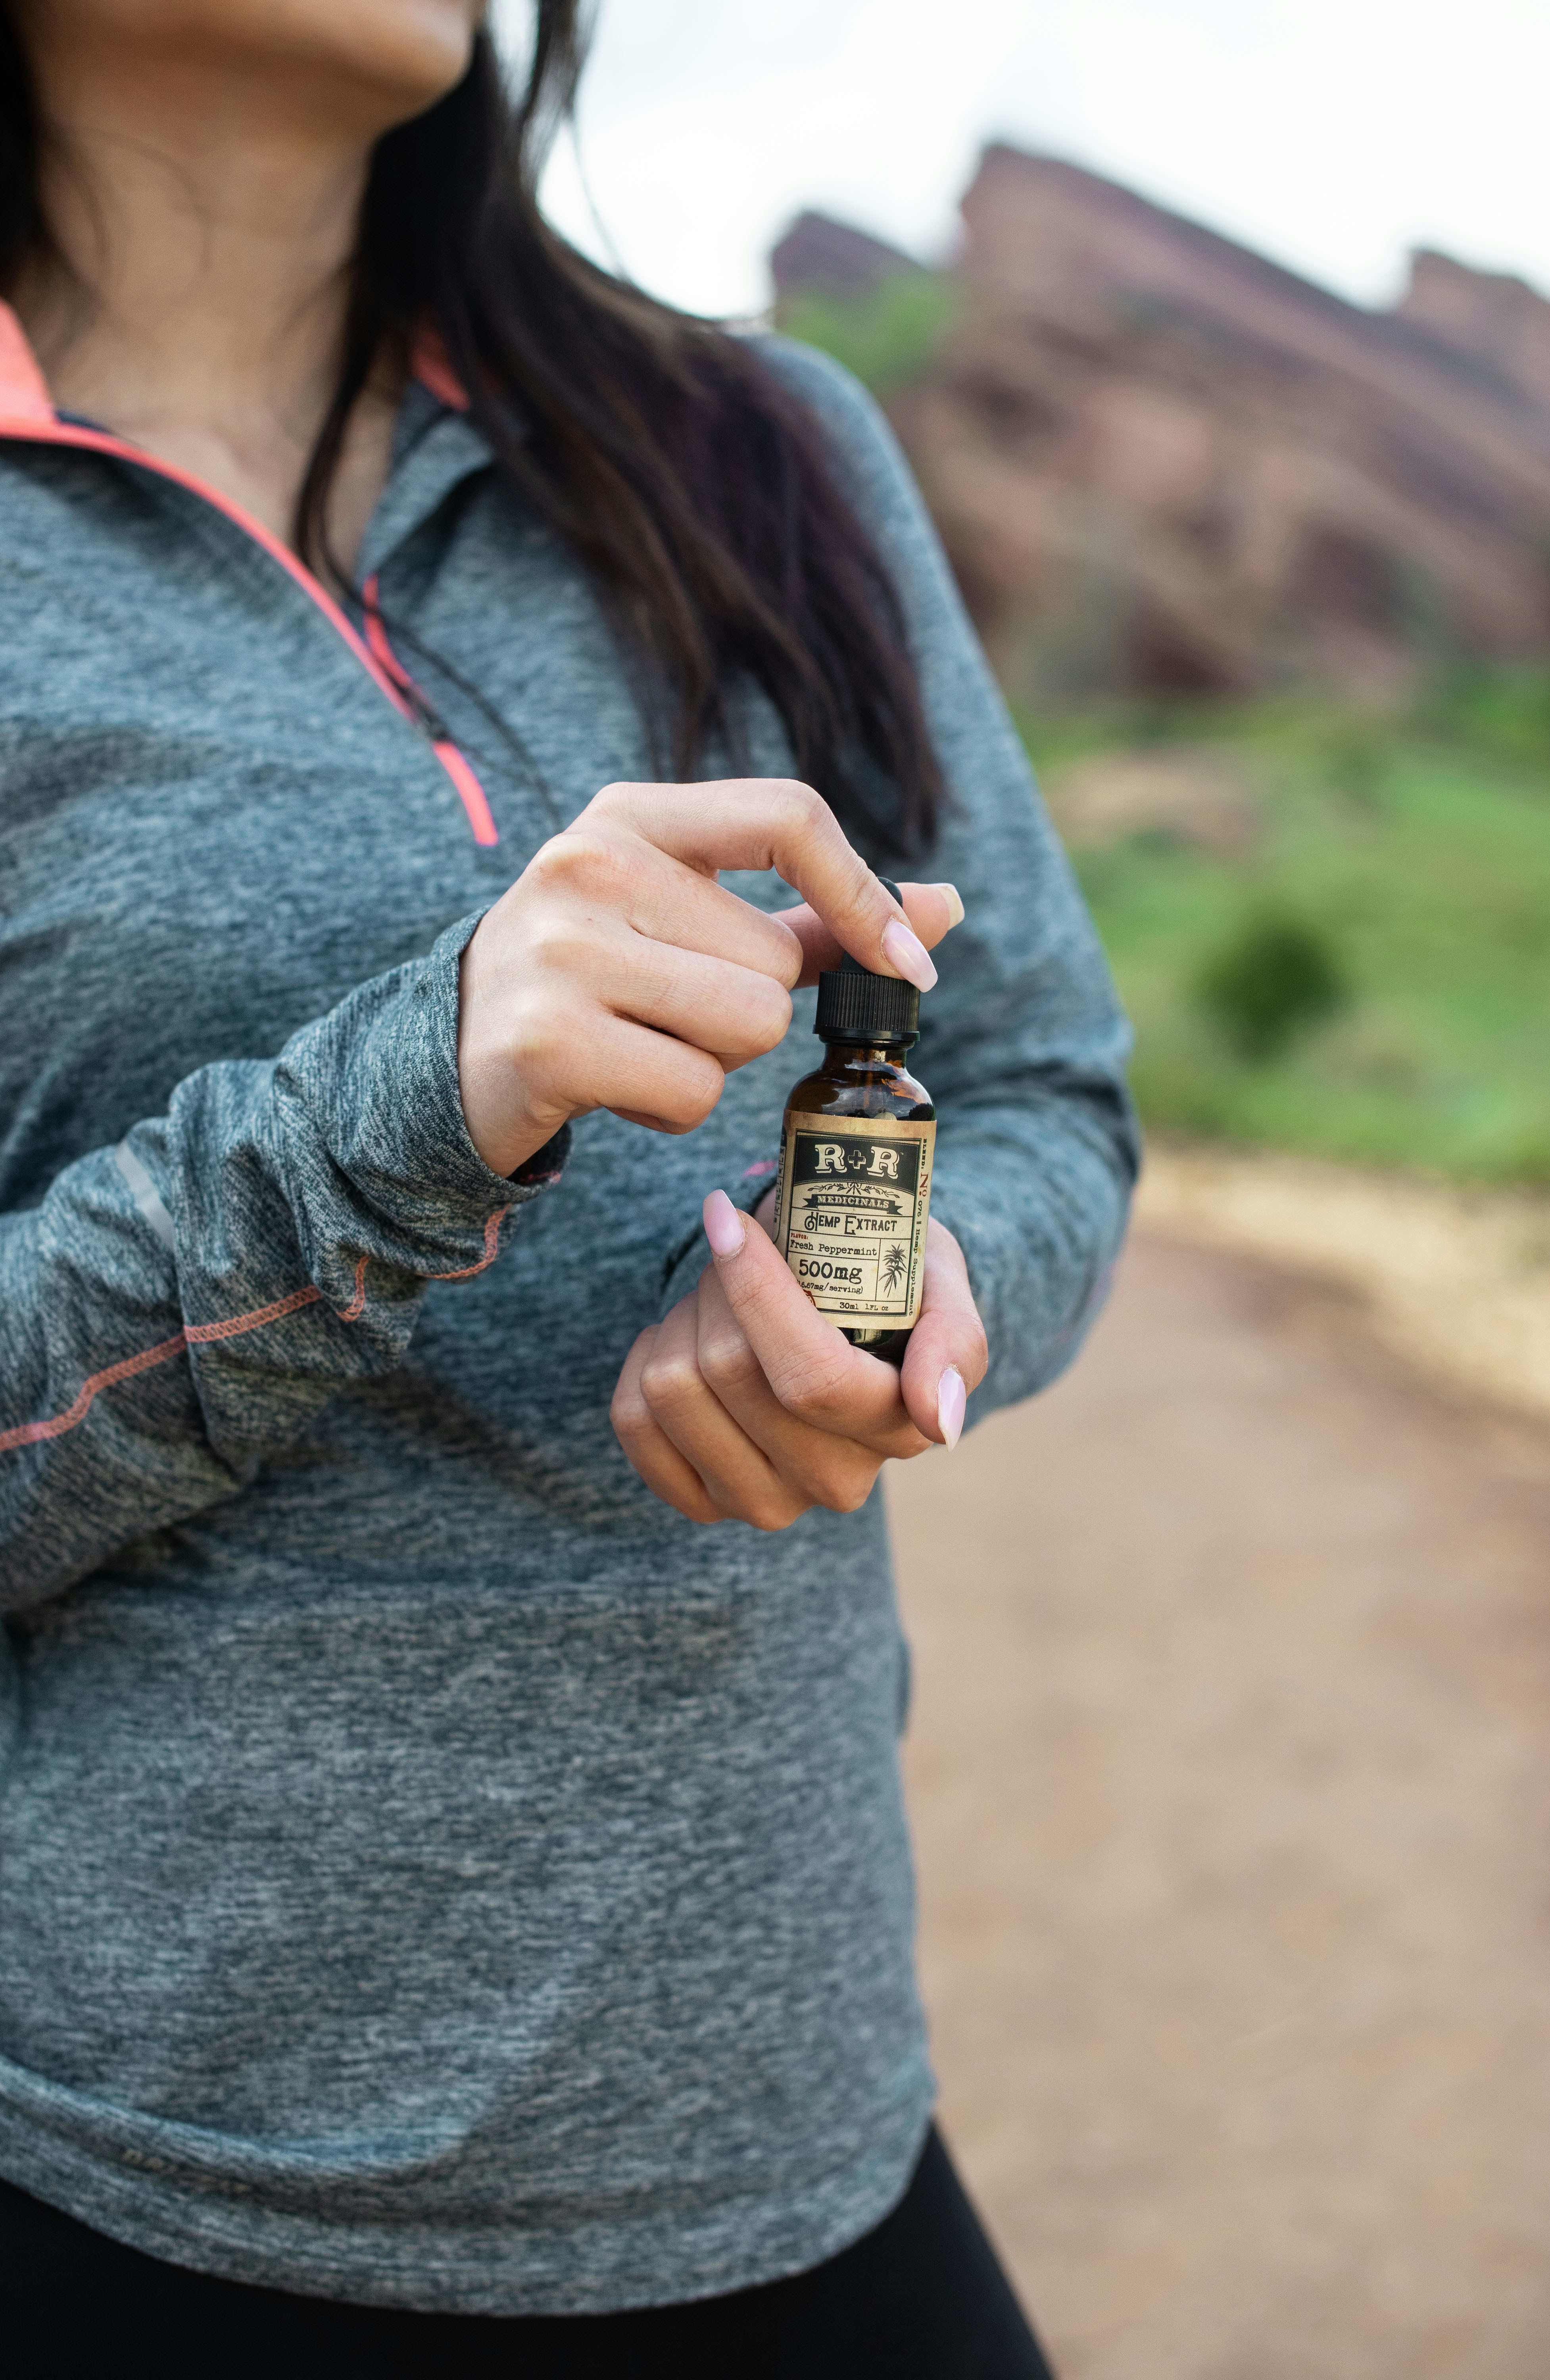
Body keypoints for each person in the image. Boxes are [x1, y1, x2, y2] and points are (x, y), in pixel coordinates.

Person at [0, 3, 1136, 2372]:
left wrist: (919, 1296)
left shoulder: (761, 444)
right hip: (147, 2195)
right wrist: (394, 1108)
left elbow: (1040, 1086)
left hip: (800, 2136)